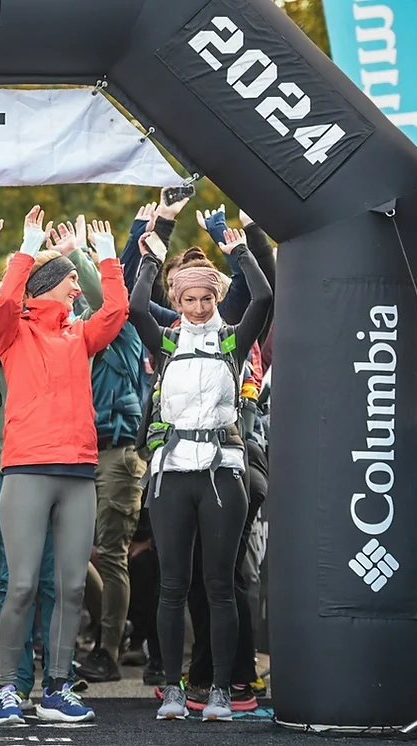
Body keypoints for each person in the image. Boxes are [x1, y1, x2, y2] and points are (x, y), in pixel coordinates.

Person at [0, 207, 128, 725]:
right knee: (22, 584)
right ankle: (7, 689)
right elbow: (4, 301)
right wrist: (26, 247)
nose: (76, 288)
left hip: (78, 473)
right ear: (47, 284)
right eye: (70, 280)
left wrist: (107, 258)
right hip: (25, 471)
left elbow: (116, 311)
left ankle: (56, 689)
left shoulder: (79, 334)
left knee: (71, 587)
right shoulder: (12, 331)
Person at [129, 227, 272, 722]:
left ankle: (220, 692)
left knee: (219, 585)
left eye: (206, 298)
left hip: (222, 472)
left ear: (216, 298)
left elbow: (263, 298)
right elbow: (135, 308)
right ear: (176, 300)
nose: (197, 307)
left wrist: (240, 253)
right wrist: (152, 258)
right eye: (188, 299)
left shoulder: (232, 339)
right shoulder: (167, 341)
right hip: (171, 473)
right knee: (172, 585)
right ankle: (173, 689)